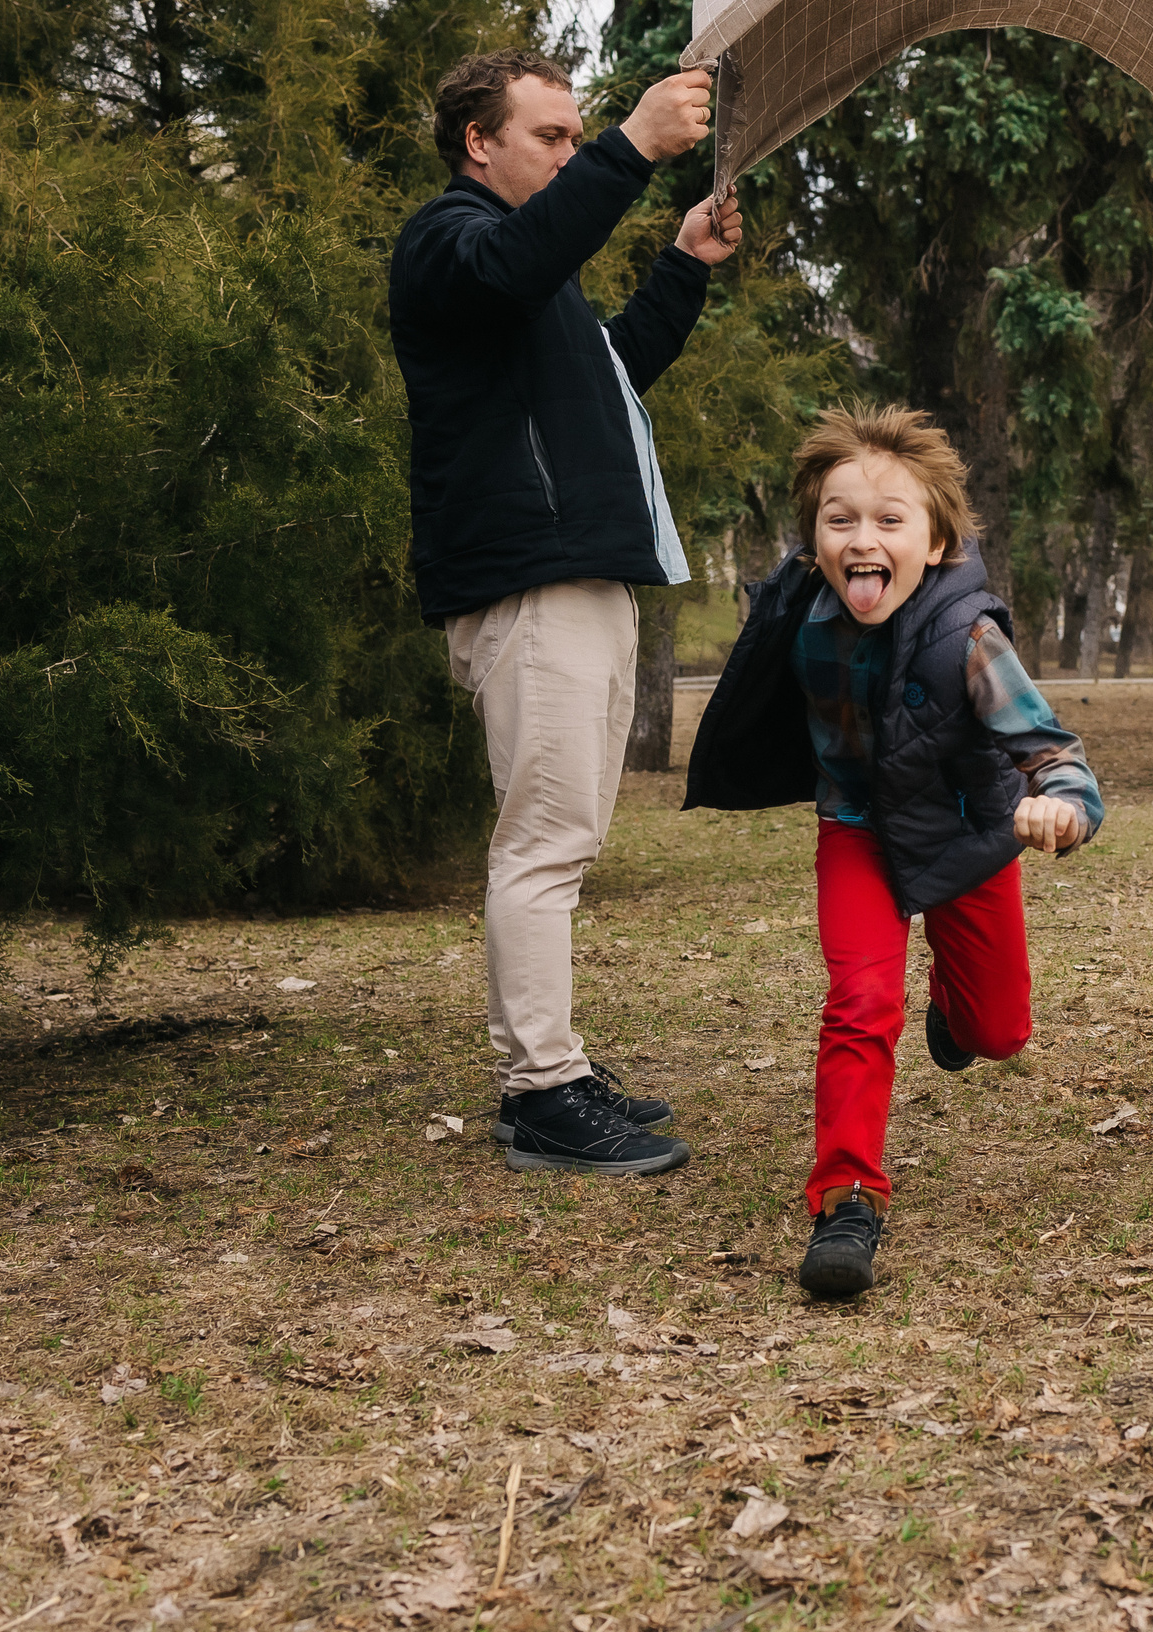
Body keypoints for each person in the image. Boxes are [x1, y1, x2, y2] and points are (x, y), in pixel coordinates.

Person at [389, 50, 742, 1175]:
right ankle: (541, 1092)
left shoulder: (531, 270)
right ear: (476, 142)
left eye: (574, 134)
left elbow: (611, 375)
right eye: (549, 135)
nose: (566, 150)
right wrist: (633, 146)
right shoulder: (449, 244)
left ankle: (555, 1068)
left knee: (565, 841)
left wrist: (680, 267)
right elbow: (513, 266)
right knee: (541, 848)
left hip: (579, 574)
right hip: (527, 584)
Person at [684, 407, 1105, 1299]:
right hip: (857, 829)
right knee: (861, 999)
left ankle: (955, 1008)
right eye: (841, 520)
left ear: (940, 541)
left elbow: (1050, 749)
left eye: (890, 520)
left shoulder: (968, 635)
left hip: (966, 834)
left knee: (999, 1032)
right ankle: (847, 1199)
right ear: (811, 540)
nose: (863, 539)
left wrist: (1063, 804)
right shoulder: (799, 610)